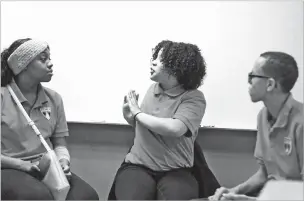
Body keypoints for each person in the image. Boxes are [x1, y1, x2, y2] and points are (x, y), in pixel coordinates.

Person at [1, 38, 99, 200]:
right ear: (23, 65)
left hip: (46, 167)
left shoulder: (54, 98)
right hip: (8, 168)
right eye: (43, 59)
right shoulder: (3, 97)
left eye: (50, 58)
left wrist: (63, 161)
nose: (51, 63)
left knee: (87, 196)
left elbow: (60, 144)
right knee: (37, 196)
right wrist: (22, 165)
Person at [110, 40, 209, 200]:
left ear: (177, 67)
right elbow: (149, 127)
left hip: (176, 170)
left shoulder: (194, 97)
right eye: (154, 57)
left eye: (160, 59)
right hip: (138, 165)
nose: (153, 61)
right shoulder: (152, 89)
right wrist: (131, 118)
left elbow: (175, 129)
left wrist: (137, 114)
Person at [209, 51, 303, 201]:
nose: (249, 82)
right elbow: (265, 173)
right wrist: (233, 192)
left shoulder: (300, 123)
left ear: (270, 84)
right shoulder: (263, 116)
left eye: (252, 76)